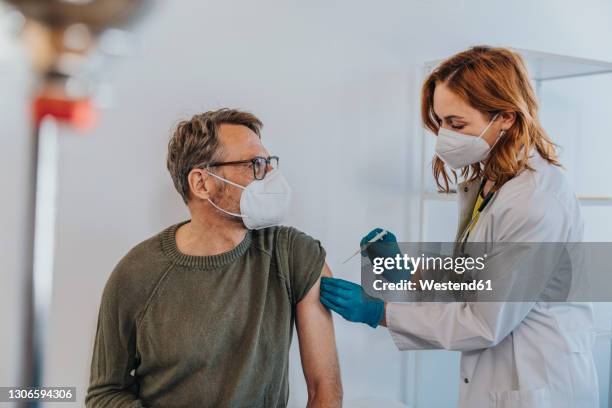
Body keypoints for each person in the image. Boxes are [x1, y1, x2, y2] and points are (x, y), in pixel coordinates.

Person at [320, 46, 598, 407]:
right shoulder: (494, 183)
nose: (444, 137)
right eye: (440, 122)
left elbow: (484, 322)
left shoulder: (535, 200)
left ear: (506, 117)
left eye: (457, 123)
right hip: (504, 378)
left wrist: (379, 312)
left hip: (538, 383)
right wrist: (408, 273)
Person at [86, 108, 342, 407]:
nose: (270, 175)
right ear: (202, 183)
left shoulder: (293, 255)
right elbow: (104, 394)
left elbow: (325, 391)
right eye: (255, 165)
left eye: (269, 163)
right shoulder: (136, 273)